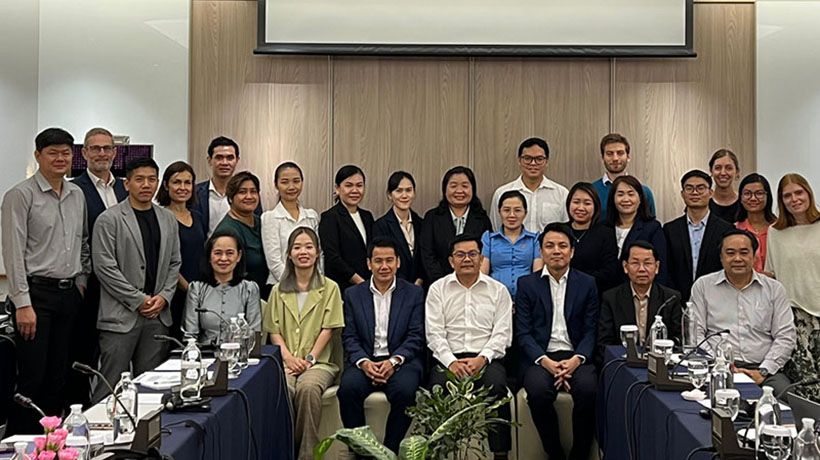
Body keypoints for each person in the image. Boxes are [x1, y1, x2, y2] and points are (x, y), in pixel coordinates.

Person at [1, 128, 91, 434]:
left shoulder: (76, 194)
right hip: (35, 297)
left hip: (68, 294)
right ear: (38, 156)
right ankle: (18, 443)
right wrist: (22, 304)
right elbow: (13, 254)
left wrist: (79, 282)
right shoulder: (20, 195)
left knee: (59, 376)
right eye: (53, 152)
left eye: (66, 152)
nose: (60, 158)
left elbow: (81, 242)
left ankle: (51, 442)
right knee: (32, 377)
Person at [92, 157, 181, 401]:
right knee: (109, 388)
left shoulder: (167, 219)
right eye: (139, 179)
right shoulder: (109, 219)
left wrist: (164, 297)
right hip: (121, 317)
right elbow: (105, 268)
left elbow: (174, 263)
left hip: (157, 316)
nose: (146, 185)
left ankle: (146, 437)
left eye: (152, 179)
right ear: (127, 183)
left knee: (152, 387)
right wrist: (138, 299)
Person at [514, 223, 598, 460]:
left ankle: (579, 454)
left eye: (563, 246)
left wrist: (576, 360)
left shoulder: (587, 283)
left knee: (589, 390)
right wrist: (546, 362)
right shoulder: (527, 284)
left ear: (572, 251)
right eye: (549, 246)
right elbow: (523, 333)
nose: (556, 251)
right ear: (541, 252)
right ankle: (555, 453)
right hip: (540, 357)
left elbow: (591, 330)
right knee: (539, 392)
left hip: (576, 355)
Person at [426, 234, 513, 459]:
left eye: (473, 254)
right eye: (460, 255)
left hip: (486, 359)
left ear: (481, 258)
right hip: (448, 359)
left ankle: (500, 454)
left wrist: (482, 358)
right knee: (436, 390)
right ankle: (436, 453)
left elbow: (503, 334)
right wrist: (451, 362)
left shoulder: (498, 290)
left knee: (497, 387)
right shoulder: (438, 289)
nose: (467, 259)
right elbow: (434, 334)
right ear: (450, 260)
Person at [337, 237, 425, 454]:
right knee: (347, 390)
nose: (384, 266)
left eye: (389, 260)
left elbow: (416, 336)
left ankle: (388, 452)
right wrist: (364, 362)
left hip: (400, 361)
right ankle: (362, 452)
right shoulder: (353, 294)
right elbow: (349, 336)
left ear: (398, 262)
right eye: (378, 261)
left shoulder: (413, 293)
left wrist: (394, 361)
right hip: (365, 360)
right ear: (369, 264)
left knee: (406, 392)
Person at [263, 227, 344, 460]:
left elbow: (328, 329)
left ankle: (306, 454)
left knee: (308, 389)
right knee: (284, 388)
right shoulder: (278, 290)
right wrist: (288, 358)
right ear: (289, 254)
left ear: (318, 252)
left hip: (319, 363)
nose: (303, 252)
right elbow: (273, 331)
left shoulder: (330, 288)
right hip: (286, 362)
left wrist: (309, 360)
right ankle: (284, 451)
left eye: (309, 247)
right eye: (297, 247)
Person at [691, 229, 795, 395]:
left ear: (754, 256)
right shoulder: (703, 286)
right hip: (716, 367)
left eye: (744, 252)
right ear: (721, 257)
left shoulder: (774, 289)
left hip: (763, 370)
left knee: (787, 397)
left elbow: (785, 336)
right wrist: (721, 365)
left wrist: (763, 371)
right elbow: (695, 334)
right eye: (730, 253)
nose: (737, 259)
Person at [68, 127, 128, 406]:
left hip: (124, 286)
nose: (102, 153)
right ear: (84, 153)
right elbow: (75, 238)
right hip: (89, 285)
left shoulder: (124, 187)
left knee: (117, 357)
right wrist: (81, 279)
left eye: (107, 148)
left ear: (115, 153)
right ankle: (80, 413)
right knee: (84, 354)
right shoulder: (73, 189)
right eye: (95, 148)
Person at [766, 174, 820, 399]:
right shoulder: (775, 232)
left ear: (808, 193)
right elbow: (771, 274)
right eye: (787, 196)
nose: (794, 199)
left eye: (799, 192)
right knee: (806, 386)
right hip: (793, 317)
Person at [598, 241, 682, 360]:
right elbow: (604, 343)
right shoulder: (611, 298)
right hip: (623, 362)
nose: (642, 269)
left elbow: (677, 341)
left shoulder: (670, 298)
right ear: (625, 267)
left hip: (660, 363)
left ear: (657, 267)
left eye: (647, 263)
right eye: (635, 263)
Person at [663, 169, 733, 302]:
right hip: (677, 300)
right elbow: (667, 269)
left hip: (717, 300)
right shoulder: (670, 229)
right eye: (689, 188)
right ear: (682, 194)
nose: (695, 192)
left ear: (710, 193)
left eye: (701, 188)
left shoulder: (726, 229)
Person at [157, 161, 208, 339]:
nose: (183, 187)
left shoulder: (198, 216)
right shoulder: (161, 217)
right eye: (177, 182)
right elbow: (166, 261)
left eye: (188, 183)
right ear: (165, 185)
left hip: (199, 292)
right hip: (175, 293)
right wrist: (188, 289)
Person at [184, 230, 261, 345]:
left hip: (240, 356)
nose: (224, 258)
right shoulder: (196, 289)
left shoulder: (249, 289)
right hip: (205, 355)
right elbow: (190, 336)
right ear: (209, 257)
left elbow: (254, 333)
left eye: (230, 253)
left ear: (239, 256)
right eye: (218, 253)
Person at [420, 166, 492, 283]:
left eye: (465, 186)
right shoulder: (432, 217)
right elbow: (427, 254)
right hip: (439, 285)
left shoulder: (482, 219)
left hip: (474, 284)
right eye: (453, 186)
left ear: (473, 189)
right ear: (445, 189)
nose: (459, 191)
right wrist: (442, 283)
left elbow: (485, 255)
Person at [490, 137, 569, 232]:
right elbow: (496, 229)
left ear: (547, 162)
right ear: (519, 160)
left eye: (539, 159)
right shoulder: (502, 193)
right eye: (527, 159)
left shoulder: (561, 194)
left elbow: (566, 230)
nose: (533, 163)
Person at [261, 162, 320, 290]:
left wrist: (317, 283)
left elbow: (319, 255)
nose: (291, 186)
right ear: (276, 184)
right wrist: (297, 286)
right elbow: (274, 261)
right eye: (285, 182)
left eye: (296, 181)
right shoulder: (270, 218)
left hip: (312, 287)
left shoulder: (311, 216)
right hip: (280, 286)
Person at [213, 171, 269, 297]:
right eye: (242, 192)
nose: (249, 196)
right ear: (231, 197)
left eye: (253, 191)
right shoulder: (228, 231)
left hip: (264, 295)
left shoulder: (261, 221)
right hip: (240, 299)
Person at [319, 165, 374, 293]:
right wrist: (359, 281)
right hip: (343, 287)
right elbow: (333, 257)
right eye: (348, 185)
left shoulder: (367, 216)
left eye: (359, 185)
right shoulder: (330, 217)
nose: (355, 190)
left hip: (368, 285)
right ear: (337, 188)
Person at [192, 136, 262, 235]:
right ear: (209, 160)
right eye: (219, 157)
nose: (225, 163)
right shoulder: (195, 193)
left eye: (230, 158)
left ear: (237, 160)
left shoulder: (249, 195)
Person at [604, 175, 668, 284]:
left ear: (640, 199)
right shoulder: (603, 228)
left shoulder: (652, 228)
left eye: (631, 194)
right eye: (620, 194)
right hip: (607, 294)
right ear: (613, 199)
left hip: (642, 290)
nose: (625, 199)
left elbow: (661, 267)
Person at [480, 190, 542, 297]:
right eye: (506, 210)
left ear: (525, 213)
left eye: (517, 210)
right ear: (499, 212)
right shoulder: (489, 238)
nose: (512, 215)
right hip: (495, 296)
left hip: (527, 297)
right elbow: (483, 274)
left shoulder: (535, 239)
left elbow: (537, 275)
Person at [565, 182, 620, 294]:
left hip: (595, 293)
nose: (581, 208)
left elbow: (609, 272)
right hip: (561, 292)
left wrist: (574, 278)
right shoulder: (560, 231)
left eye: (587, 203)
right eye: (576, 202)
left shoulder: (605, 233)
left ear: (595, 206)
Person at [373, 171, 424, 285]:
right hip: (394, 287)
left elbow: (425, 256)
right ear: (389, 195)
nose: (404, 195)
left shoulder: (422, 224)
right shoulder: (380, 226)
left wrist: (419, 282)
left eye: (408, 190)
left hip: (421, 287)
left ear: (414, 193)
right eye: (399, 191)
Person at [591, 133, 657, 220]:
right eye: (609, 153)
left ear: (628, 157)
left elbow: (651, 226)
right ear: (603, 158)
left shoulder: (644, 192)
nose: (615, 158)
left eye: (620, 153)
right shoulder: (591, 191)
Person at [735, 173, 776, 274]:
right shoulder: (735, 230)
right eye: (747, 193)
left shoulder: (779, 228)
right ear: (740, 197)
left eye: (759, 193)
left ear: (768, 196)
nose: (753, 198)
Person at [708, 149, 741, 222]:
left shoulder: (745, 203)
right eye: (718, 168)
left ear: (737, 172)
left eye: (729, 168)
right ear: (711, 171)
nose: (723, 173)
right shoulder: (703, 203)